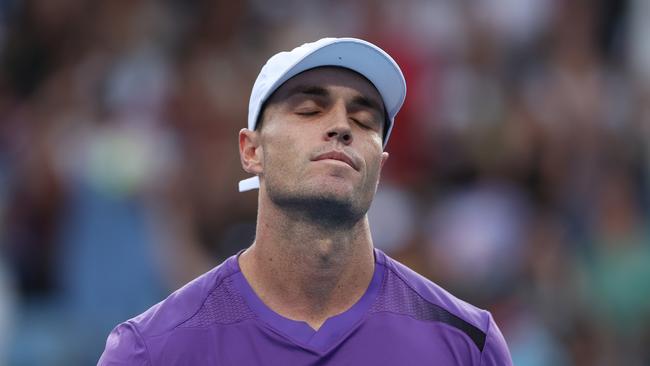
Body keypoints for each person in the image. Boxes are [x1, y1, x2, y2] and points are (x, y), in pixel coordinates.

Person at [98, 37, 513, 365]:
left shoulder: (467, 344)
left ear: (379, 164)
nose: (340, 126)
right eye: (310, 110)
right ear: (252, 151)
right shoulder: (151, 351)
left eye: (364, 119)